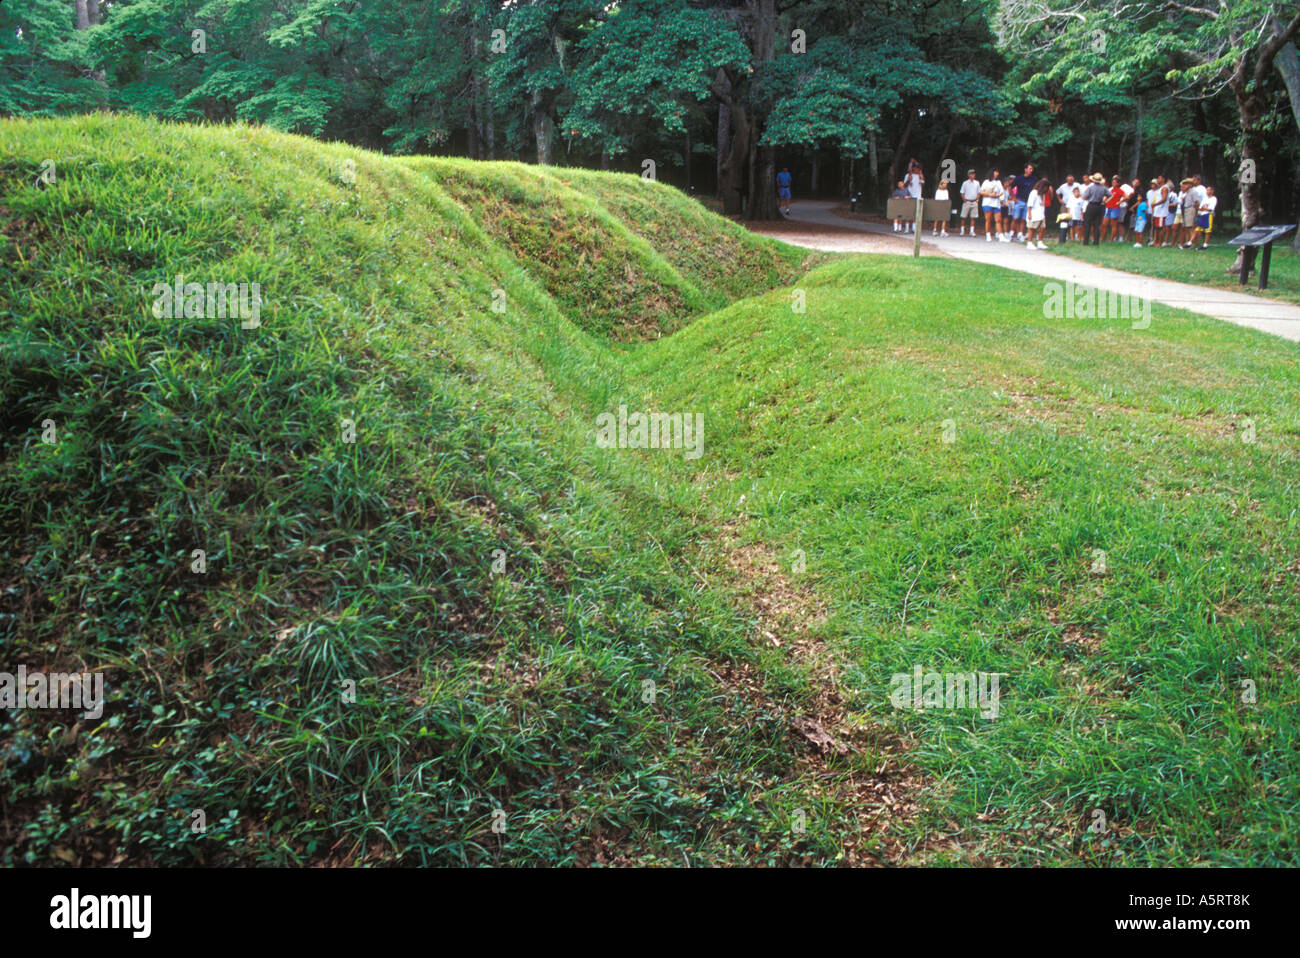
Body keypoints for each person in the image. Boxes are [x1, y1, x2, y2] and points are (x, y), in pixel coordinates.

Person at [1010, 163, 1037, 242]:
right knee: (1015, 218)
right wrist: (1013, 198)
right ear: (1025, 169)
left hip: (1028, 202)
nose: (1031, 170)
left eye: (1032, 169)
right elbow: (1010, 187)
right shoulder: (1019, 178)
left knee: (1023, 219)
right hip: (1019, 200)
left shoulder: (1034, 179)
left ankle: (1020, 234)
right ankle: (1011, 233)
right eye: (1029, 169)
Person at [979, 168, 1006, 242]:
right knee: (988, 219)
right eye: (996, 172)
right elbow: (981, 192)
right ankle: (988, 235)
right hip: (987, 203)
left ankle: (1001, 236)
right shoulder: (986, 182)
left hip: (996, 204)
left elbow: (1002, 191)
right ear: (992, 172)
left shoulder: (998, 182)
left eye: (998, 172)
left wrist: (1001, 198)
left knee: (998, 220)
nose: (997, 173)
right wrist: (990, 195)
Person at [1082, 173, 1108, 245]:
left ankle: (1086, 242)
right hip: (1099, 206)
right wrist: (1104, 201)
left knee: (1087, 224)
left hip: (1091, 205)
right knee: (1097, 225)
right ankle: (1096, 242)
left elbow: (1084, 197)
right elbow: (1110, 195)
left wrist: (1089, 198)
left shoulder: (1090, 188)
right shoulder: (1103, 188)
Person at [1026, 178, 1050, 249]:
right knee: (1032, 228)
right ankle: (1029, 243)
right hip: (1034, 214)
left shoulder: (1043, 194)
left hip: (1041, 214)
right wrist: (1029, 214)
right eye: (1046, 187)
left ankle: (1040, 242)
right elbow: (1029, 204)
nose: (1047, 189)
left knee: (1042, 228)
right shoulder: (1034, 193)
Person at [1181, 175, 1203, 246]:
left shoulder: (1194, 191)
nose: (1185, 185)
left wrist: (1196, 212)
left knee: (1190, 227)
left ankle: (1191, 242)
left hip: (1191, 209)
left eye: (1187, 183)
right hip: (1187, 208)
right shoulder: (1188, 192)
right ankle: (1188, 242)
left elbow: (1197, 202)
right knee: (1187, 226)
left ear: (1190, 184)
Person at [903, 160, 924, 232]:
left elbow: (923, 184)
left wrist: (921, 175)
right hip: (909, 195)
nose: (917, 169)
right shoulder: (907, 175)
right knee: (908, 212)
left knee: (916, 212)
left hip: (917, 196)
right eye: (915, 167)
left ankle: (914, 228)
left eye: (918, 168)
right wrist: (908, 180)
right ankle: (906, 228)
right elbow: (904, 185)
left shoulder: (920, 176)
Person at [959, 169, 981, 235]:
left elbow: (979, 192)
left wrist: (977, 199)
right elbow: (962, 192)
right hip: (967, 201)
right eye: (971, 174)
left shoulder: (977, 183)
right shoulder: (965, 183)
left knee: (973, 217)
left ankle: (972, 231)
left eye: (973, 174)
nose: (972, 175)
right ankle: (962, 231)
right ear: (968, 175)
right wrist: (964, 200)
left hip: (974, 201)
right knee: (963, 217)